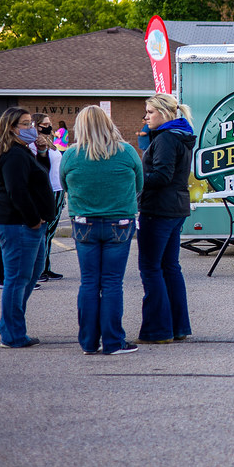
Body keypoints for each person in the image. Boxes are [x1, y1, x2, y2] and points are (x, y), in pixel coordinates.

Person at [60, 106, 143, 356]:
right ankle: (113, 341)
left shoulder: (71, 155)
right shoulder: (126, 152)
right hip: (120, 223)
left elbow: (64, 184)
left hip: (84, 223)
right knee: (111, 283)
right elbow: (139, 184)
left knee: (88, 282)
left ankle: (88, 342)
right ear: (109, 124)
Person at [0, 107, 54, 349]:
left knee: (31, 275)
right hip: (17, 224)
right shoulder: (13, 155)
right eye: (25, 124)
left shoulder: (22, 151)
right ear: (12, 128)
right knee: (17, 280)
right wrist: (34, 219)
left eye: (31, 123)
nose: (32, 128)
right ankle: (13, 335)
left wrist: (43, 152)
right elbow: (18, 192)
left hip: (23, 224)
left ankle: (8, 324)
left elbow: (37, 177)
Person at [137, 93, 194, 344]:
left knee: (152, 268)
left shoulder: (166, 139)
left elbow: (162, 175)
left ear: (164, 113)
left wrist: (135, 181)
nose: (145, 117)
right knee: (170, 268)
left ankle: (157, 330)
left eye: (149, 112)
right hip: (174, 208)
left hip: (159, 210)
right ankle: (177, 327)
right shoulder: (180, 135)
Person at [32, 113, 65, 281]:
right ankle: (39, 269)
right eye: (45, 123)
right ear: (37, 125)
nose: (49, 125)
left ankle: (46, 265)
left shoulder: (49, 140)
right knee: (44, 232)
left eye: (50, 123)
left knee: (50, 232)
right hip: (49, 190)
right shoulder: (34, 143)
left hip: (58, 189)